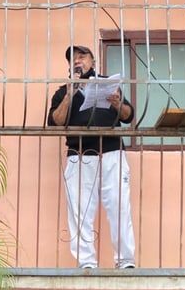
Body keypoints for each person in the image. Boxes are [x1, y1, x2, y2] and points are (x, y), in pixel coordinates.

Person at [47, 45, 136, 269]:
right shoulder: (63, 90)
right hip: (79, 155)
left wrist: (116, 103)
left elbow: (128, 115)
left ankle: (125, 261)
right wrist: (70, 94)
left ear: (93, 62)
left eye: (82, 56)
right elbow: (55, 121)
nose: (77, 61)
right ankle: (87, 262)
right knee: (79, 211)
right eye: (72, 59)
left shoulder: (108, 85)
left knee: (119, 207)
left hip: (112, 154)